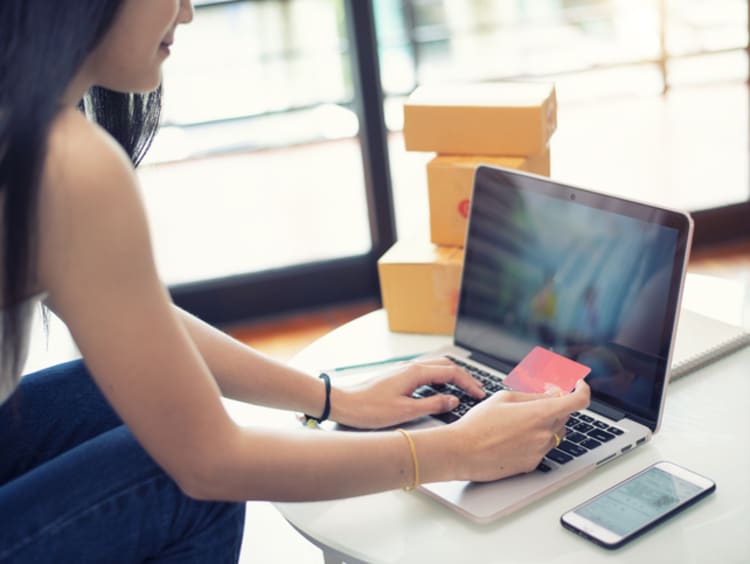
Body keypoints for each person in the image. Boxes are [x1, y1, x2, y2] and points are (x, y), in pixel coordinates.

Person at [0, 1, 590, 562]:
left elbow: (138, 321)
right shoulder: (67, 161)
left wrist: (335, 399)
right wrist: (457, 450)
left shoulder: (28, 122)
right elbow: (210, 464)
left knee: (108, 389)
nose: (187, 11)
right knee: (177, 482)